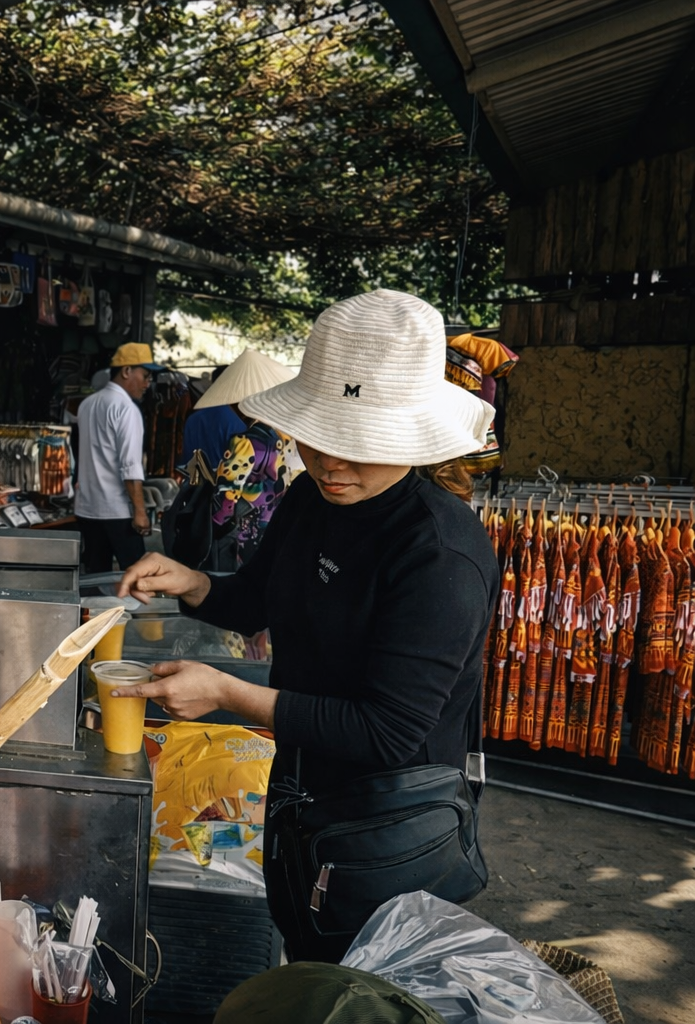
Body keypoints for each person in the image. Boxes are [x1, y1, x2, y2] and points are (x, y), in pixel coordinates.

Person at [115, 290, 499, 962]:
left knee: (354, 987)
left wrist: (229, 695)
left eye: (361, 444)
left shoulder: (439, 553)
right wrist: (192, 580)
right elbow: (258, 599)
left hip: (390, 832)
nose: (331, 461)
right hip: (301, 800)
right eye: (322, 435)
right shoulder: (308, 499)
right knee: (301, 957)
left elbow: (387, 732)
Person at [191, 349, 299, 570]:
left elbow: (227, 494)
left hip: (241, 536)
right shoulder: (287, 438)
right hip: (273, 529)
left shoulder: (245, 442)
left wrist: (213, 530)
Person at [74, 343, 163, 573]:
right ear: (126, 371)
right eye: (144, 375)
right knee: (138, 579)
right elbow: (130, 465)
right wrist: (140, 512)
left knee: (94, 578)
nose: (147, 383)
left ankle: (93, 611)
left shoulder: (87, 404)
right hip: (117, 511)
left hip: (87, 508)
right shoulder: (126, 409)